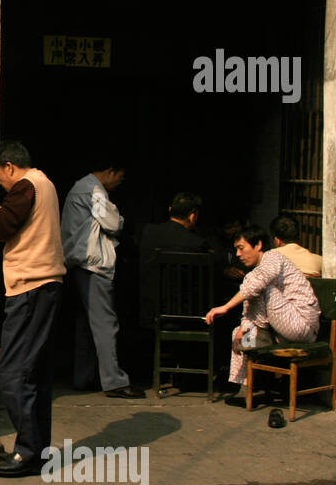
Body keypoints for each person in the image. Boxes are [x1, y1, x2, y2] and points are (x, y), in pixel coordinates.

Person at [0, 141, 65, 478]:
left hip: (31, 287)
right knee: (35, 374)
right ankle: (37, 451)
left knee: (13, 372)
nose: (0, 183)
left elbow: (0, 225)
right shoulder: (46, 183)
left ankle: (27, 453)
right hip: (46, 287)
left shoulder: (26, 186)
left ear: (10, 166)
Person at [203, 224, 320, 405]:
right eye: (236, 250)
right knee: (238, 334)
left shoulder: (273, 257)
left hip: (300, 325)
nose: (238, 255)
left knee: (261, 286)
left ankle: (259, 333)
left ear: (258, 245)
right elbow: (250, 295)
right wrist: (244, 327)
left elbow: (257, 284)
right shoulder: (255, 272)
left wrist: (225, 307)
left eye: (241, 248)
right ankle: (247, 390)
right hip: (279, 331)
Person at [61, 161, 144, 398]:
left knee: (87, 324)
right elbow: (113, 223)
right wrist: (119, 218)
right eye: (119, 177)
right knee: (106, 324)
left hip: (79, 263)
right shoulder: (94, 190)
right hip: (93, 265)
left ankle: (84, 377)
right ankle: (115, 382)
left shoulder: (82, 187)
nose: (120, 183)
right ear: (110, 171)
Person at [137, 191, 214, 326]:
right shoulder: (197, 243)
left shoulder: (148, 232)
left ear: (170, 210)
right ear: (193, 216)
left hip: (150, 310)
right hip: (185, 313)